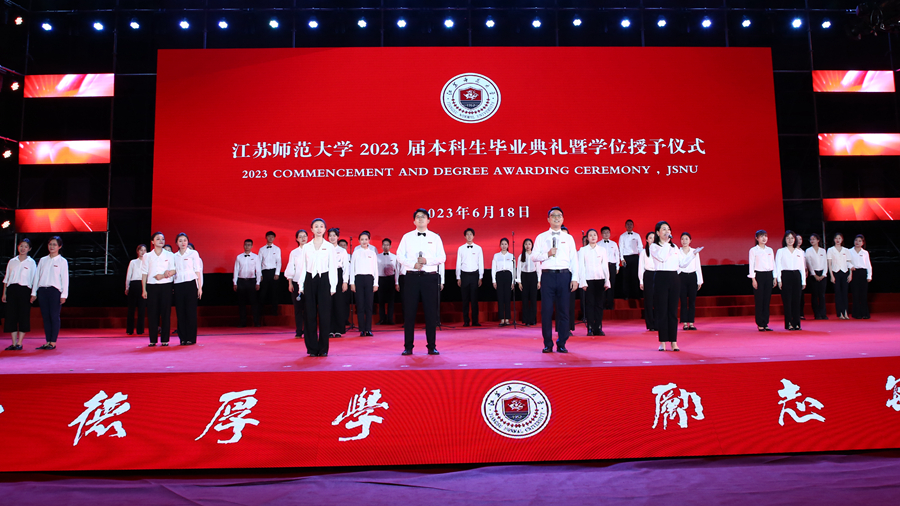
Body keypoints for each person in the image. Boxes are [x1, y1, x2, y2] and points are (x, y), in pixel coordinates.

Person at [396, 208, 446, 355]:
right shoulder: (407, 237)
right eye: (418, 217)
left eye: (423, 217)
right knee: (409, 313)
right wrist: (413, 264)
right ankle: (408, 347)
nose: (420, 219)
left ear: (428, 220)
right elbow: (399, 256)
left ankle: (431, 346)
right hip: (411, 277)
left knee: (430, 313)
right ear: (414, 221)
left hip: (429, 278)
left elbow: (442, 257)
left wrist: (426, 261)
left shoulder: (435, 238)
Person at [531, 206, 579, 353]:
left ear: (563, 219)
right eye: (553, 216)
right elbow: (534, 257)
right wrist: (547, 254)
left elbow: (574, 259)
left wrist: (575, 278)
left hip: (564, 276)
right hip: (548, 276)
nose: (556, 218)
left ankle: (562, 342)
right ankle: (547, 343)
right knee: (546, 311)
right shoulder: (541, 237)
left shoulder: (568, 238)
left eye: (559, 216)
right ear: (548, 219)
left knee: (564, 310)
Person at [651, 222, 699, 351]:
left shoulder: (674, 247)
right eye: (664, 229)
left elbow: (682, 264)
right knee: (662, 311)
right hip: (661, 277)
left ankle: (673, 341)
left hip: (674, 278)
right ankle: (662, 342)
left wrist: (693, 255)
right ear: (658, 232)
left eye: (668, 229)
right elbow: (662, 257)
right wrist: (667, 243)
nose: (667, 231)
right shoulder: (654, 246)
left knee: (672, 311)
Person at [301, 218, 338, 357]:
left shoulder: (329, 246)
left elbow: (333, 267)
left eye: (321, 226)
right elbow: (303, 267)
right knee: (309, 315)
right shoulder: (306, 247)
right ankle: (312, 348)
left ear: (324, 229)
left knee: (324, 315)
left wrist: (333, 286)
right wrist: (301, 284)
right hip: (309, 280)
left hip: (324, 280)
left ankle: (323, 348)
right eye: (316, 226)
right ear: (311, 229)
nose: (318, 229)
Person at [30, 236, 69, 350]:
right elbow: (37, 277)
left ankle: (53, 342)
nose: (52, 246)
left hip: (55, 291)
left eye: (54, 244)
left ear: (59, 246)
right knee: (46, 317)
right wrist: (34, 292)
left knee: (54, 316)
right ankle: (48, 341)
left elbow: (65, 279)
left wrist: (64, 295)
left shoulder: (62, 261)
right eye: (50, 244)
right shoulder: (43, 260)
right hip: (43, 290)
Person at [142, 232, 176, 346]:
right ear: (152, 241)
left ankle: (165, 339)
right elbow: (144, 273)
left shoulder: (169, 255)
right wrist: (144, 289)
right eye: (158, 239)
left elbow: (174, 270)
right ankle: (153, 339)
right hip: (152, 286)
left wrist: (164, 275)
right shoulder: (147, 256)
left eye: (163, 239)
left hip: (166, 285)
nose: (161, 241)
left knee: (165, 313)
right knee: (152, 313)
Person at [3, 238, 36, 351]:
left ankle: (20, 343)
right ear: (18, 247)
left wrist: (34, 293)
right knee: (11, 316)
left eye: (25, 246)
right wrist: (4, 293)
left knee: (23, 316)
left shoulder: (31, 263)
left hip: (25, 291)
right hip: (12, 290)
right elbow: (6, 278)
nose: (23, 248)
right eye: (21, 246)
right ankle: (13, 343)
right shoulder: (12, 261)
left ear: (29, 249)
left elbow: (34, 279)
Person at [578, 229, 611, 337]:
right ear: (587, 238)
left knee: (599, 305)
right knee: (590, 304)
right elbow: (581, 267)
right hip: (588, 280)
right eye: (590, 235)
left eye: (595, 235)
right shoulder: (583, 250)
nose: (593, 237)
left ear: (597, 237)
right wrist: (582, 282)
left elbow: (605, 266)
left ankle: (599, 328)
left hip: (600, 279)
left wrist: (607, 280)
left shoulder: (602, 250)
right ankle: (590, 328)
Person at [173, 233, 203, 345]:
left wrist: (199, 287)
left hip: (190, 283)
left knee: (191, 312)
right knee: (180, 312)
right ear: (177, 243)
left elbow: (197, 270)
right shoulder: (174, 256)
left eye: (185, 240)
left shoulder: (193, 253)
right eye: (180, 241)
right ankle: (183, 338)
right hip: (178, 284)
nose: (183, 243)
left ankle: (191, 338)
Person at [775, 230, 806, 331]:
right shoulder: (781, 251)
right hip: (785, 275)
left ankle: (797, 323)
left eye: (792, 238)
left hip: (796, 275)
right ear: (785, 239)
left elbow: (802, 267)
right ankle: (788, 323)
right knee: (787, 301)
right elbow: (778, 266)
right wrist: (779, 279)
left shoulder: (799, 252)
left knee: (797, 301)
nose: (790, 240)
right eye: (788, 238)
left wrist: (803, 281)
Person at [350, 231, 379, 337]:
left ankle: (368, 329)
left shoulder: (372, 253)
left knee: (369, 305)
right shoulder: (356, 252)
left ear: (369, 240)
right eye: (362, 239)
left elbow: (375, 269)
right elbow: (352, 268)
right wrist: (352, 283)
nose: (364, 241)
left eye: (366, 239)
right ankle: (362, 329)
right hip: (358, 279)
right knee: (360, 305)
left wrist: (376, 283)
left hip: (369, 279)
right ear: (359, 241)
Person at [456, 228, 484, 327]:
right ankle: (466, 321)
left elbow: (481, 263)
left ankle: (475, 321)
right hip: (464, 275)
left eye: (470, 234)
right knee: (465, 299)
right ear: (464, 236)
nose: (469, 236)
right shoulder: (461, 248)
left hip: (474, 275)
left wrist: (480, 276)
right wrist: (458, 277)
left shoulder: (478, 248)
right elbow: (458, 263)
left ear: (473, 236)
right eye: (467, 234)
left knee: (474, 299)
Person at [749, 230, 776, 331]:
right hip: (759, 275)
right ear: (757, 238)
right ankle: (760, 323)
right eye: (761, 236)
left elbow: (773, 263)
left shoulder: (770, 250)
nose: (764, 238)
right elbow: (751, 265)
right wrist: (753, 279)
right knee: (759, 300)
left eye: (765, 236)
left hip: (769, 275)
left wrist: (775, 277)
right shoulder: (753, 250)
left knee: (767, 300)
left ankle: (766, 323)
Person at [284, 229, 309, 339]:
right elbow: (291, 267)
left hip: (308, 283)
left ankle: (308, 331)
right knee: (298, 308)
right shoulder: (294, 253)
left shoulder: (312, 250)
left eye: (305, 236)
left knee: (309, 308)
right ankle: (299, 330)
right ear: (297, 239)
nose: (303, 238)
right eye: (300, 236)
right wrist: (290, 283)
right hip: (296, 282)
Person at [233, 239, 262, 327]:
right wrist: (235, 282)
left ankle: (256, 322)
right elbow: (236, 270)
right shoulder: (239, 257)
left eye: (249, 245)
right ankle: (242, 322)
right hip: (241, 281)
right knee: (241, 303)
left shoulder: (256, 257)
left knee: (254, 302)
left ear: (252, 246)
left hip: (251, 281)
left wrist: (258, 282)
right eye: (246, 245)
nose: (247, 246)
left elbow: (258, 271)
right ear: (243, 246)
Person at [678, 232, 703, 331]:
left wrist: (699, 280)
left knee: (692, 301)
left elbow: (698, 266)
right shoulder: (678, 251)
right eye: (682, 239)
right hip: (682, 276)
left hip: (692, 276)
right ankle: (684, 323)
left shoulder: (694, 251)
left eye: (686, 239)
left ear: (690, 240)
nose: (684, 241)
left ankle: (691, 323)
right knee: (683, 301)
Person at [328, 228, 350, 337]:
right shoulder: (325, 249)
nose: (332, 237)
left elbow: (346, 267)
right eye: (330, 235)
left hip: (339, 275)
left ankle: (338, 329)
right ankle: (329, 329)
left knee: (339, 303)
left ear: (337, 237)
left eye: (334, 235)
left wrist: (345, 281)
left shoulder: (342, 251)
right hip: (327, 276)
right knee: (328, 304)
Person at [257, 231, 282, 322]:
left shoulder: (277, 249)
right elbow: (258, 263)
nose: (270, 238)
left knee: (274, 293)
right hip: (264, 272)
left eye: (272, 237)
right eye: (269, 236)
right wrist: (260, 275)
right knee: (262, 293)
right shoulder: (261, 249)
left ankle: (274, 311)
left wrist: (277, 273)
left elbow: (279, 262)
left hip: (273, 272)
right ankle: (260, 312)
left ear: (274, 238)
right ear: (266, 237)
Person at [827, 232, 852, 320]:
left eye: (839, 238)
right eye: (836, 238)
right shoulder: (830, 250)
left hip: (845, 272)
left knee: (845, 293)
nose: (838, 240)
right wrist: (831, 275)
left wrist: (850, 274)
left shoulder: (846, 250)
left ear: (842, 240)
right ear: (834, 239)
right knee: (838, 293)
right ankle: (840, 312)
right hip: (835, 272)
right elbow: (829, 264)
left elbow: (849, 262)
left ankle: (845, 312)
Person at [516, 238, 540, 326]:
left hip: (533, 277)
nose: (527, 246)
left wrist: (539, 281)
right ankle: (526, 320)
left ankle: (533, 319)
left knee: (533, 299)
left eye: (529, 244)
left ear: (532, 245)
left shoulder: (535, 256)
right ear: (523, 245)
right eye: (526, 244)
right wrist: (519, 282)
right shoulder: (521, 256)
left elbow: (538, 269)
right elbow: (518, 270)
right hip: (524, 277)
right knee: (525, 299)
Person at [492, 237, 515, 326]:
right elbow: (493, 269)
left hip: (508, 276)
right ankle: (502, 319)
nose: (504, 246)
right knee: (500, 297)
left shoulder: (511, 256)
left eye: (505, 244)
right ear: (500, 245)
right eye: (502, 244)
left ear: (508, 245)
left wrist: (513, 281)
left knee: (507, 298)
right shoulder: (496, 256)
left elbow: (513, 270)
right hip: (499, 276)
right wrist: (494, 280)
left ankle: (508, 319)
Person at [124, 244, 147, 336]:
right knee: (131, 308)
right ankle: (129, 329)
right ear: (137, 251)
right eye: (141, 250)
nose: (142, 252)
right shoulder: (133, 262)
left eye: (144, 250)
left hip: (143, 284)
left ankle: (140, 330)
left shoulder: (148, 263)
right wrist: (127, 287)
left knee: (142, 308)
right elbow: (128, 275)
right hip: (134, 284)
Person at [849, 234, 872, 319]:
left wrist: (869, 275)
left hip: (863, 273)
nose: (857, 242)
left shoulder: (865, 252)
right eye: (856, 240)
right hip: (854, 273)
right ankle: (856, 314)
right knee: (855, 294)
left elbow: (868, 265)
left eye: (859, 241)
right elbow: (847, 261)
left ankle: (865, 313)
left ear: (863, 243)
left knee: (863, 294)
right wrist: (850, 266)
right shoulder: (849, 251)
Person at [805, 233, 828, 320]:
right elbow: (809, 263)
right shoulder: (808, 250)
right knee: (814, 294)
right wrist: (814, 274)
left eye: (814, 239)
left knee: (822, 295)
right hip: (813, 274)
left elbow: (825, 263)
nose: (812, 241)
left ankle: (823, 314)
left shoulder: (823, 251)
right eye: (811, 239)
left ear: (818, 240)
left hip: (822, 274)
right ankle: (817, 314)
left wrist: (824, 274)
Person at [618, 219, 643, 300]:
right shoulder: (622, 236)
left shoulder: (637, 235)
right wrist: (622, 259)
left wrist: (642, 258)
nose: (629, 226)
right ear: (625, 226)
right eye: (628, 224)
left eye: (631, 224)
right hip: (626, 258)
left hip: (635, 257)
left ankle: (636, 295)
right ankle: (626, 295)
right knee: (626, 277)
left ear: (633, 226)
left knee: (635, 276)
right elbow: (621, 248)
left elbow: (640, 247)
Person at [638, 232, 657, 331]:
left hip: (658, 275)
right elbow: (641, 267)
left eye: (654, 237)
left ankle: (658, 323)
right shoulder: (643, 252)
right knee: (649, 301)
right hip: (648, 275)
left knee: (659, 300)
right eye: (650, 238)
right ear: (646, 240)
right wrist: (641, 281)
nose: (652, 239)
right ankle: (650, 324)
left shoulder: (660, 250)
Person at [377, 238, 397, 325]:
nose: (385, 246)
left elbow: (397, 270)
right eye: (384, 245)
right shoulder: (377, 257)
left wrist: (396, 282)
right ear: (382, 246)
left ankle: (390, 319)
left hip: (390, 279)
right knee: (381, 300)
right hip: (381, 279)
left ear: (390, 246)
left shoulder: (394, 257)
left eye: (387, 245)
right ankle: (382, 319)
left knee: (391, 300)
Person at [599, 226, 620, 310]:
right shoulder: (598, 244)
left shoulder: (613, 244)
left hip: (612, 265)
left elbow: (617, 255)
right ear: (601, 234)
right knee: (603, 285)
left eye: (607, 232)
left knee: (611, 285)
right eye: (604, 233)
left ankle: (611, 304)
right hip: (602, 266)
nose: (606, 234)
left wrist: (617, 267)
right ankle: (603, 304)